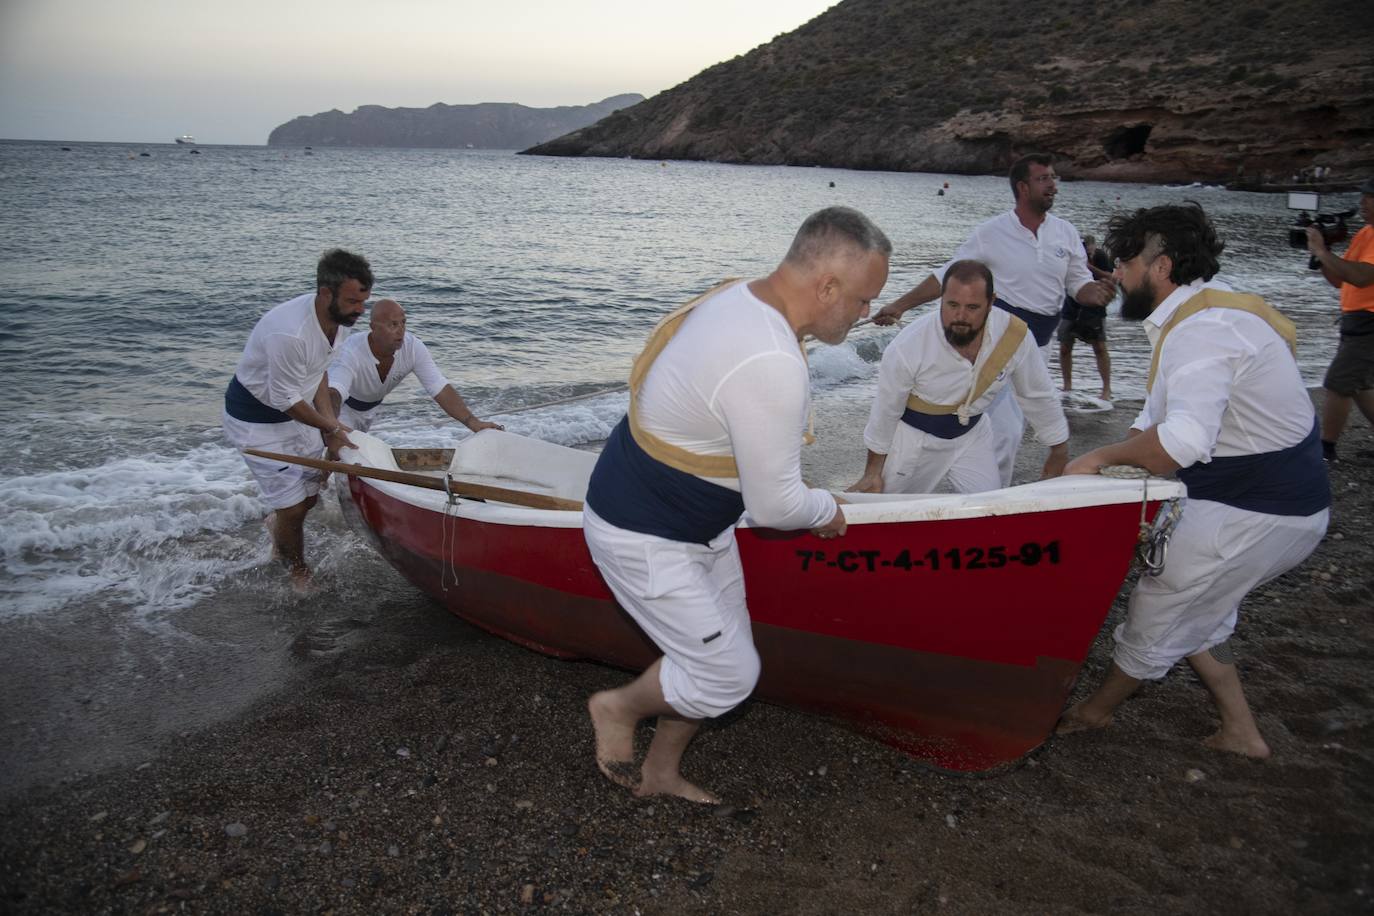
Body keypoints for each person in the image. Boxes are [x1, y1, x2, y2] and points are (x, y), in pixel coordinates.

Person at [582, 206, 890, 803]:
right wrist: (826, 508)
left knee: (718, 654)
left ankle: (661, 771)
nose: (867, 313)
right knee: (728, 676)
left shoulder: (744, 295)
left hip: (702, 524)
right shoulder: (770, 358)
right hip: (643, 531)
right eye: (861, 299)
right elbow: (775, 507)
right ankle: (617, 708)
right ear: (825, 286)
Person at [1056, 203, 1330, 758]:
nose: (1116, 275)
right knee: (1202, 611)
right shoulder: (1208, 314)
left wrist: (1094, 459)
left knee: (1159, 604)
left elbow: (1180, 443)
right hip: (1268, 499)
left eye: (1124, 262)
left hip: (1262, 509)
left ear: (1160, 266)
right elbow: (1151, 425)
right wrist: (1095, 477)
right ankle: (1241, 732)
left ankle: (1095, 712)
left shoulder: (1202, 332)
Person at [873, 154, 1115, 486]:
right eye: (1044, 179)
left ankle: (987, 497)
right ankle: (989, 496)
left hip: (1035, 346)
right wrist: (900, 305)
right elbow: (948, 274)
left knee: (1024, 413)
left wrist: (1093, 294)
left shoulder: (1066, 233)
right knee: (1007, 430)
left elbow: (1077, 283)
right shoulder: (991, 233)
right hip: (993, 343)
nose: (1053, 185)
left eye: (1053, 178)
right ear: (1022, 187)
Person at [848, 259, 1068, 494]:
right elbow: (885, 411)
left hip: (971, 437)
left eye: (972, 307)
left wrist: (1058, 450)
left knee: (987, 510)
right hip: (913, 441)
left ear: (991, 302)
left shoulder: (1014, 336)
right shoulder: (908, 346)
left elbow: (1036, 394)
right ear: (941, 298)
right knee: (886, 512)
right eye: (952, 304)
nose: (960, 316)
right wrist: (872, 472)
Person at [222, 249, 372, 589]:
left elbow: (318, 372)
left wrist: (328, 426)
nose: (359, 311)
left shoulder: (338, 321)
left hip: (299, 415)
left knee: (309, 494)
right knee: (292, 510)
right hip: (257, 422)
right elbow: (287, 402)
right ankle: (298, 570)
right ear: (324, 293)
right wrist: (331, 427)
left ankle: (277, 525)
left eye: (363, 302)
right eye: (352, 301)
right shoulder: (290, 333)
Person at [328, 298, 503, 435]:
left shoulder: (412, 347)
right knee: (344, 455)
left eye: (403, 322)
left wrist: (473, 422)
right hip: (338, 407)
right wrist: (332, 427)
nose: (401, 330)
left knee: (349, 457)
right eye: (393, 325)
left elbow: (439, 386)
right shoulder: (350, 350)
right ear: (373, 328)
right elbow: (335, 391)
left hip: (370, 408)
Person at [1306, 177, 1374, 462]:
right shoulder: (1366, 233)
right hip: (1356, 319)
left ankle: (1326, 448)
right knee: (1359, 385)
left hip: (1370, 321)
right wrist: (1321, 255)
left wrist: (1322, 251)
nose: (1362, 204)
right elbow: (1339, 279)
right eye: (1363, 197)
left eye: (1369, 198)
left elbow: (1361, 276)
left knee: (1337, 382)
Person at [1057, 235, 1115, 400]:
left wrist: (1089, 267)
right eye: (1083, 249)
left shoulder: (1100, 256)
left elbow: (1110, 277)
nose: (1087, 251)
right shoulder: (1072, 256)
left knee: (1099, 347)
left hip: (1095, 308)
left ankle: (1106, 389)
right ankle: (1067, 387)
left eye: (1088, 249)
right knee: (1065, 347)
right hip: (1071, 306)